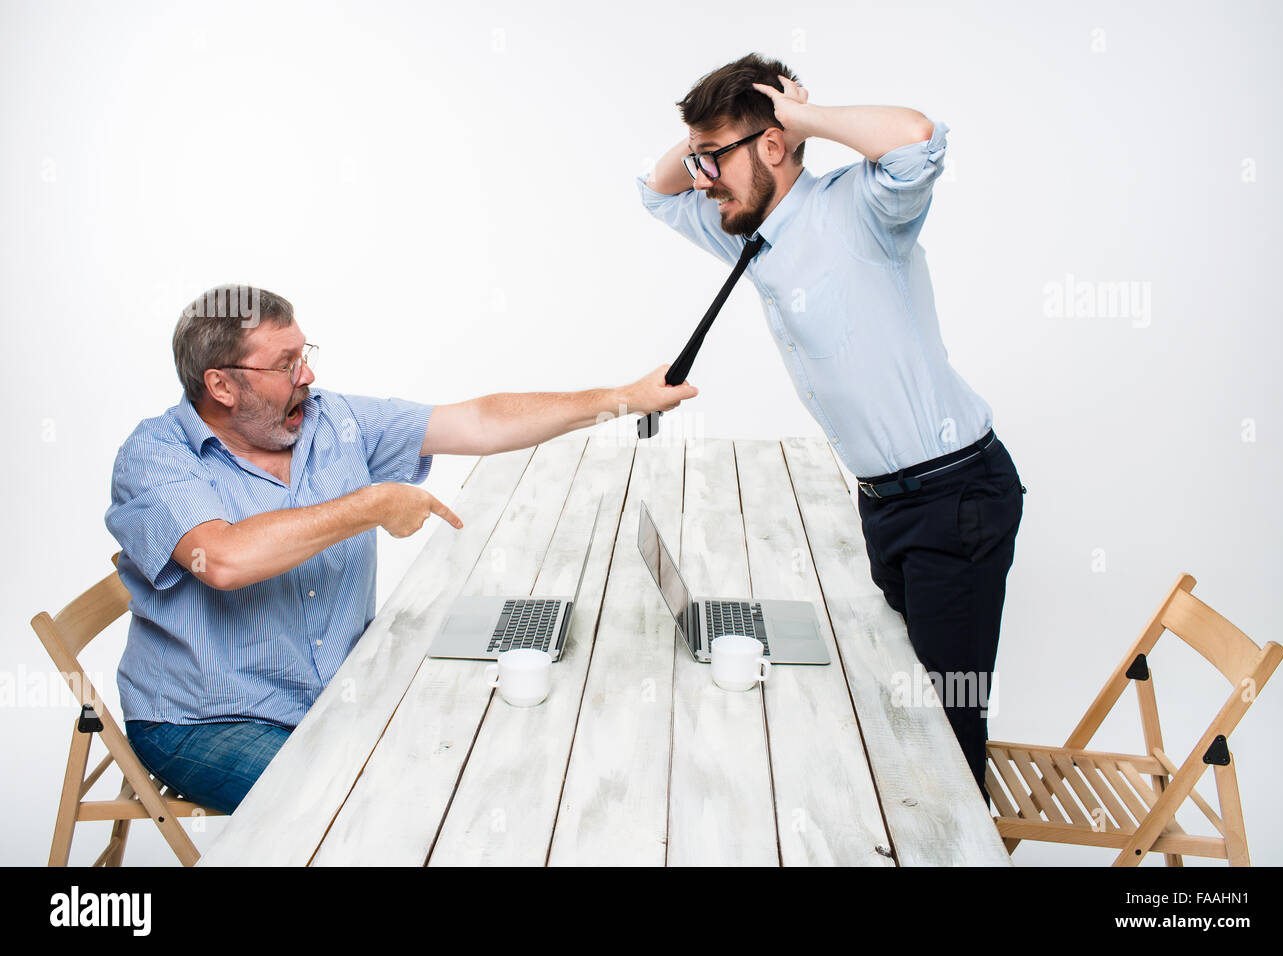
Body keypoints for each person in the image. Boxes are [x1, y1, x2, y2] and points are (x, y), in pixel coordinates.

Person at [106, 284, 697, 813]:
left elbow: (479, 422)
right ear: (221, 384)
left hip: (334, 691)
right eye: (285, 364)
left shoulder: (332, 421)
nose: (305, 376)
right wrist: (369, 505)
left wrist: (626, 397)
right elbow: (226, 560)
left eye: (305, 355)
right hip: (205, 719)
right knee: (367, 808)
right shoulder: (156, 456)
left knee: (481, 761)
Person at [638, 53, 1024, 803]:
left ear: (773, 148)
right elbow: (654, 193)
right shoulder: (742, 227)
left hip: (957, 497)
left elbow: (916, 137)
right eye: (698, 158)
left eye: (713, 159)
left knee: (947, 720)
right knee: (902, 692)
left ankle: (964, 845)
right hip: (886, 501)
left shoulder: (862, 210)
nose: (701, 177)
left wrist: (800, 116)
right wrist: (703, 146)